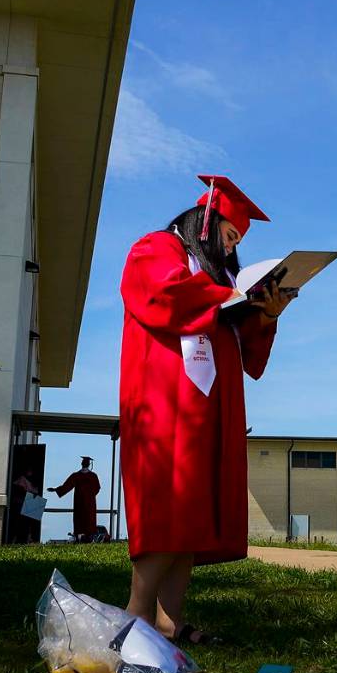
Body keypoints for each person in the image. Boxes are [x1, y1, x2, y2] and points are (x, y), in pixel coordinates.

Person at [119, 175, 291, 646]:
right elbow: (163, 295)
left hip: (211, 404)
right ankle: (133, 618)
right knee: (168, 506)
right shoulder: (157, 248)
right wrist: (229, 298)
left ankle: (169, 624)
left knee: (194, 510)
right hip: (166, 398)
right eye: (230, 236)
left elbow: (245, 353)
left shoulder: (221, 278)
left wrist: (265, 312)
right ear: (205, 223)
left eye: (237, 241)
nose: (232, 247)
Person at [49, 456, 101, 543]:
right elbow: (97, 488)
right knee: (87, 519)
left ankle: (79, 538)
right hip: (89, 503)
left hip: (80, 501)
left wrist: (56, 489)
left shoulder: (76, 475)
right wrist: (90, 496)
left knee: (80, 519)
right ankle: (87, 538)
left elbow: (67, 486)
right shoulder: (93, 476)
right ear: (89, 464)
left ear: (82, 464)